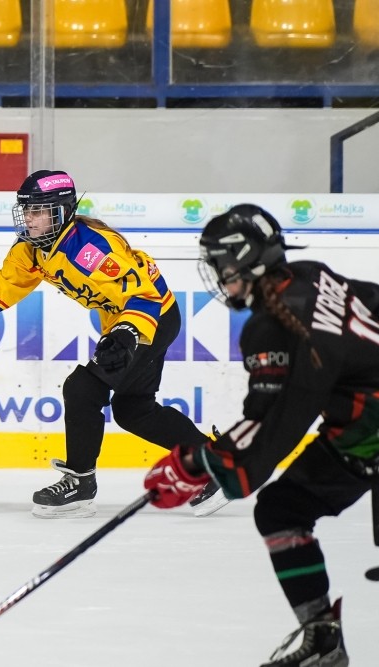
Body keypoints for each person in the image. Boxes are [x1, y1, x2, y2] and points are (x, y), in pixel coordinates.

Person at [0, 169, 224, 518]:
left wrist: (126, 334)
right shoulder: (32, 250)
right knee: (134, 410)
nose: (29, 219)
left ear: (61, 212)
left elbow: (144, 295)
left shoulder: (91, 249)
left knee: (82, 388)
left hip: (150, 319)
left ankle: (80, 484)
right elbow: (4, 285)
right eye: (26, 210)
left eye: (37, 211)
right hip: (125, 323)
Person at [144, 204, 379, 666]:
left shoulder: (272, 325)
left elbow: (274, 424)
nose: (219, 276)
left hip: (369, 426)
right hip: (365, 417)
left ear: (245, 260)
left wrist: (197, 463)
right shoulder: (310, 274)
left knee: (282, 510)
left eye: (221, 265)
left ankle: (324, 644)